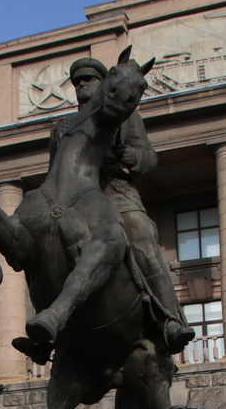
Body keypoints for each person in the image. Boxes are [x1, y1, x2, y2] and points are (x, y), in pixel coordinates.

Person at [45, 57, 194, 358]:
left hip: (114, 192)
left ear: (105, 82)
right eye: (77, 82)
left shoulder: (125, 117)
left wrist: (130, 154)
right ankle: (46, 331)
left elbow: (149, 159)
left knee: (141, 236)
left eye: (88, 79)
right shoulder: (62, 127)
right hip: (75, 201)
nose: (82, 85)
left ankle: (171, 320)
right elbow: (53, 171)